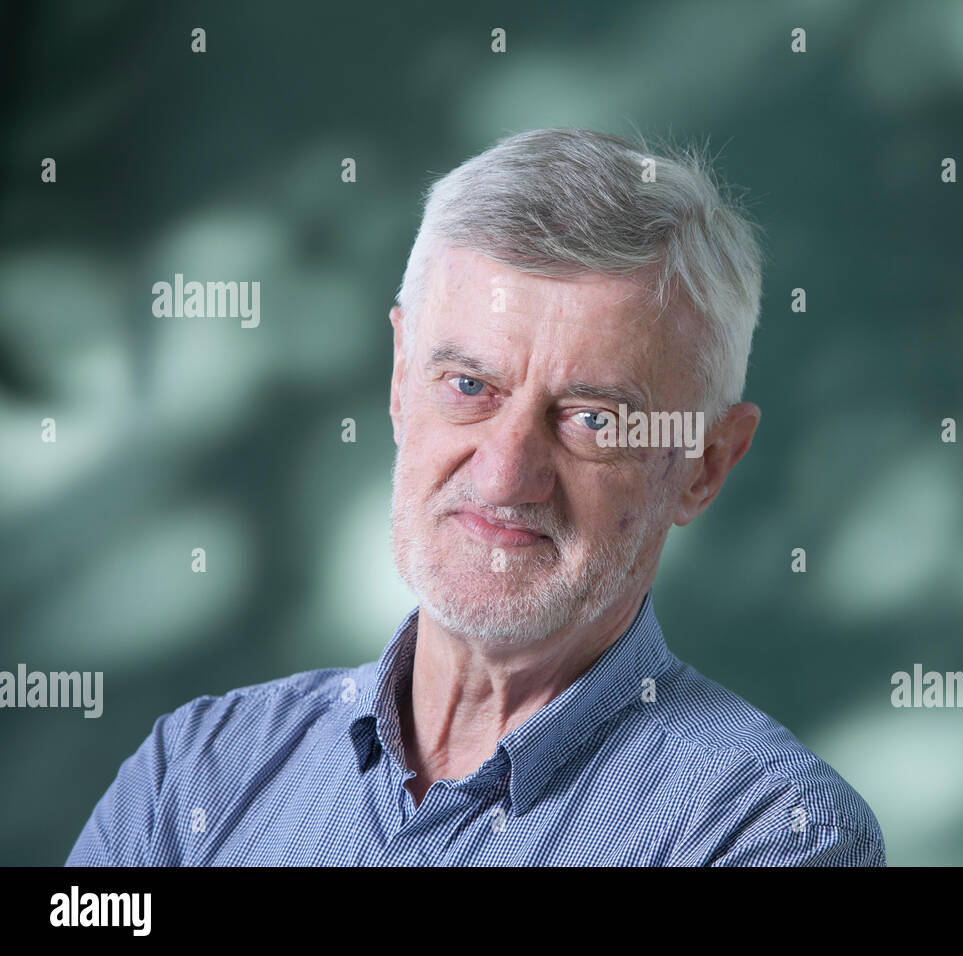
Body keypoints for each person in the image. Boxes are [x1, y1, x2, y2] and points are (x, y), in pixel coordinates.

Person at [66, 128, 885, 866]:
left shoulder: (771, 835)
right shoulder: (195, 774)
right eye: (468, 384)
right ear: (398, 382)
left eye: (592, 418)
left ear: (704, 464)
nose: (503, 476)